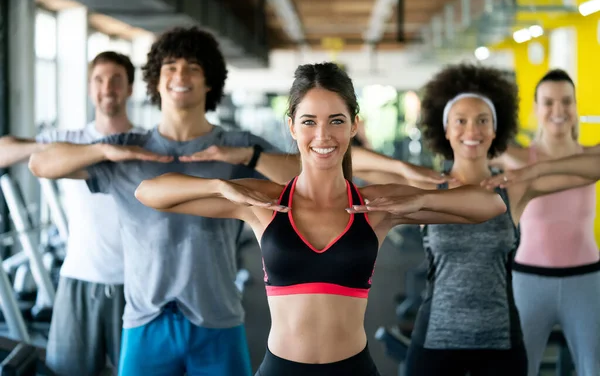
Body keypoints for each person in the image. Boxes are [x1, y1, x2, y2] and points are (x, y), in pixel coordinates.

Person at [27, 27, 454, 376]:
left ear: (209, 79)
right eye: (170, 68)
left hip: (218, 312)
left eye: (192, 68)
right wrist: (107, 150)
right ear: (155, 80)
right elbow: (40, 163)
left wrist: (402, 172)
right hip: (146, 314)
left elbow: (313, 160)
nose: (180, 76)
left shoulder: (237, 145)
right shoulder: (126, 147)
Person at [134, 62, 508, 376]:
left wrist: (418, 202)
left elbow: (490, 206)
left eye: (336, 121)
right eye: (310, 121)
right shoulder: (261, 202)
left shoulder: (374, 207)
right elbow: (148, 192)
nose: (323, 135)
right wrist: (220, 187)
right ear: (292, 126)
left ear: (354, 126)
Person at [402, 63, 598, 376]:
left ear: (495, 130)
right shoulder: (428, 186)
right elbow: (352, 165)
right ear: (446, 129)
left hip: (502, 339)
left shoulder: (515, 186)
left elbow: (595, 167)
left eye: (482, 121)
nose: (472, 130)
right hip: (436, 339)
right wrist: (404, 170)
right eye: (461, 121)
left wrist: (532, 170)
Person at [0, 51, 143, 375]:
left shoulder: (146, 143)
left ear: (130, 88)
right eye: (99, 80)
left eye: (116, 80)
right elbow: (3, 151)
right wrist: (88, 151)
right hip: (78, 280)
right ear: (90, 88)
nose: (108, 87)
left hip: (137, 285)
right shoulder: (68, 141)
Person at [487, 69, 600, 376]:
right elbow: (471, 142)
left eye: (566, 102)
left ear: (577, 107)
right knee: (521, 368)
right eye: (549, 103)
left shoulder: (592, 156)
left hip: (586, 280)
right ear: (536, 109)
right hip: (528, 281)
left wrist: (535, 172)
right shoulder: (517, 158)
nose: (558, 111)